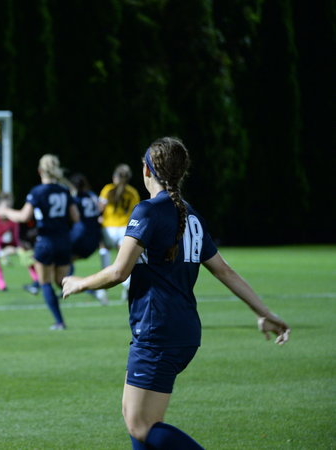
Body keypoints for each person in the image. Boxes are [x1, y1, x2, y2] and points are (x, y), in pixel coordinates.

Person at [62, 137, 290, 449]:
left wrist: (80, 283)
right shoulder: (191, 215)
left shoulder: (148, 212)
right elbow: (225, 271)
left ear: (147, 170)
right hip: (181, 330)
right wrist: (265, 312)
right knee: (138, 419)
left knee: (140, 424)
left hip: (157, 330)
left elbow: (118, 272)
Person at [0, 154, 80, 330]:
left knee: (45, 282)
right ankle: (92, 288)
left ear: (40, 170)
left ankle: (59, 322)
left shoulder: (37, 191)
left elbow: (24, 216)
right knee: (61, 281)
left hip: (46, 241)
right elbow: (76, 217)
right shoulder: (64, 190)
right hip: (64, 241)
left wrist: (5, 211)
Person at [0, 193, 38, 292]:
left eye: (9, 206)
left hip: (0, 243)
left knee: (26, 253)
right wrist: (1, 253)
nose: (8, 209)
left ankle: (37, 281)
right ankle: (2, 285)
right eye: (6, 207)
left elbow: (15, 239)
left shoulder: (12, 220)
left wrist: (19, 249)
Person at [98, 164, 141, 300]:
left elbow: (100, 208)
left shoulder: (108, 189)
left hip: (108, 228)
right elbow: (136, 212)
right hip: (124, 228)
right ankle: (127, 287)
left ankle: (103, 287)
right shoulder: (132, 192)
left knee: (104, 251)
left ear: (115, 177)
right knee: (124, 260)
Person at [68, 173, 107, 304]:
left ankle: (88, 289)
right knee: (66, 261)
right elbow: (100, 210)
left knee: (60, 260)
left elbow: (73, 216)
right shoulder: (92, 195)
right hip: (94, 237)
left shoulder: (76, 198)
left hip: (80, 236)